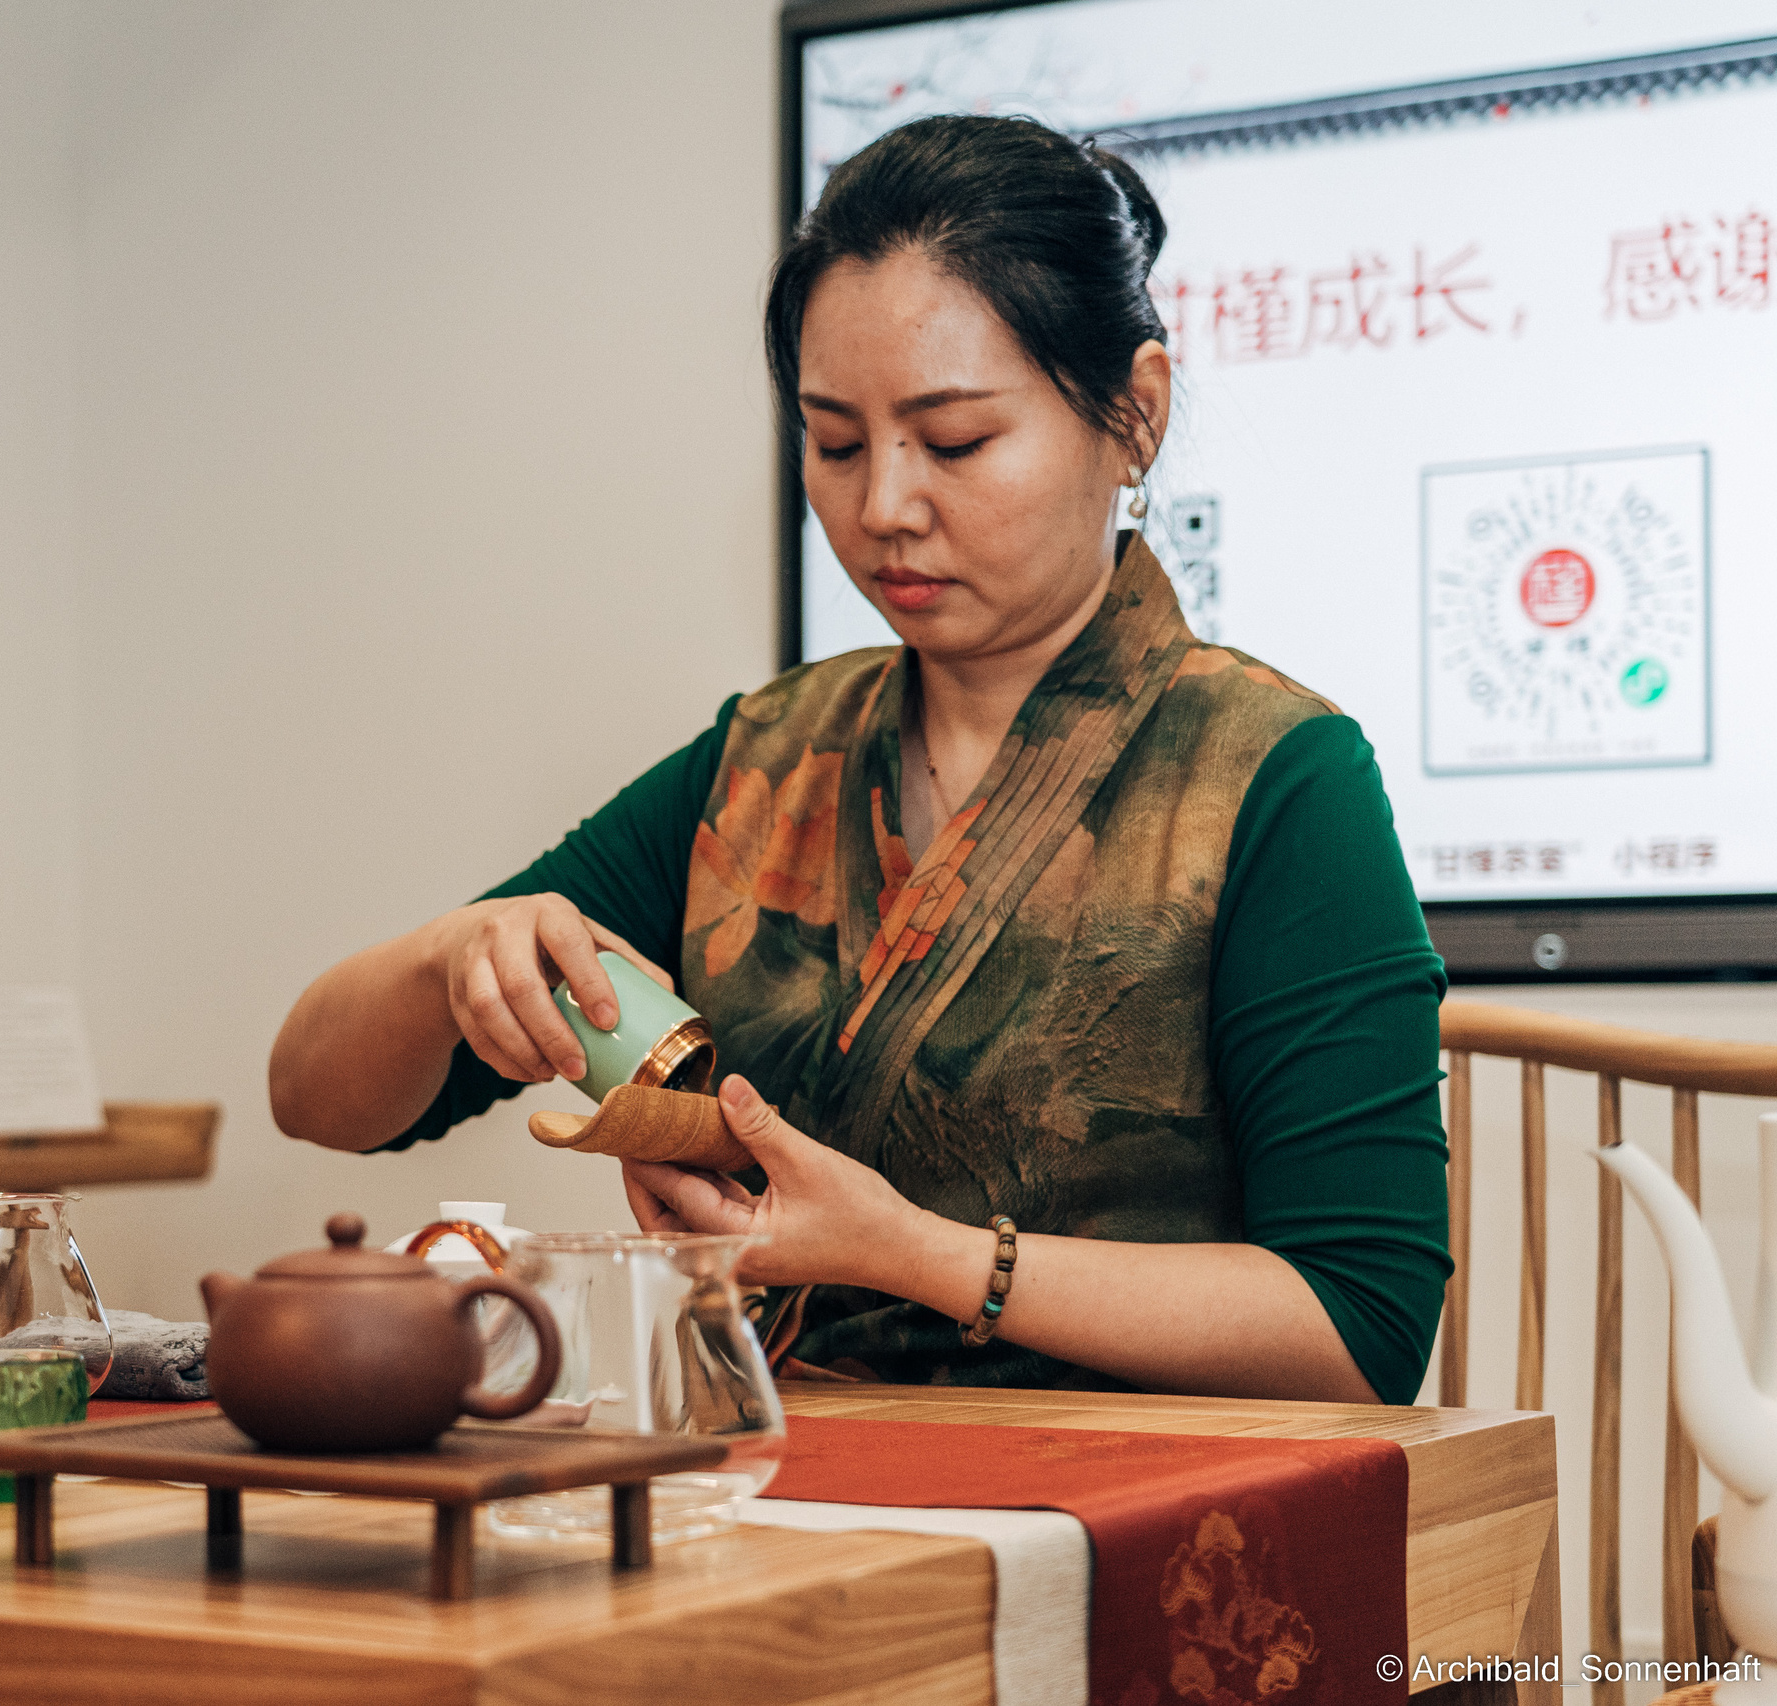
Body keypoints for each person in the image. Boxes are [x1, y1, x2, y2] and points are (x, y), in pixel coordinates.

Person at [268, 115, 1449, 1406]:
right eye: (836, 444)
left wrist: (917, 1255)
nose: (883, 505)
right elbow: (317, 1099)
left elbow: (1360, 1326)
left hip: (1134, 1491)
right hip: (774, 1477)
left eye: (956, 441)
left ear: (1135, 413)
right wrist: (451, 955)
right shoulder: (769, 758)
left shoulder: (1273, 775)